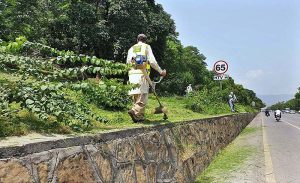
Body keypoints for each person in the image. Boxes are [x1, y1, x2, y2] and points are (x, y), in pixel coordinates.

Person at [127, 34, 167, 123]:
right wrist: (161, 72)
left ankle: (139, 117)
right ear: (145, 40)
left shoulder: (131, 48)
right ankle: (135, 111)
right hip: (142, 74)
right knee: (143, 97)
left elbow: (128, 62)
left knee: (136, 96)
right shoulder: (146, 47)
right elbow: (152, 62)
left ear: (137, 39)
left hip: (132, 74)